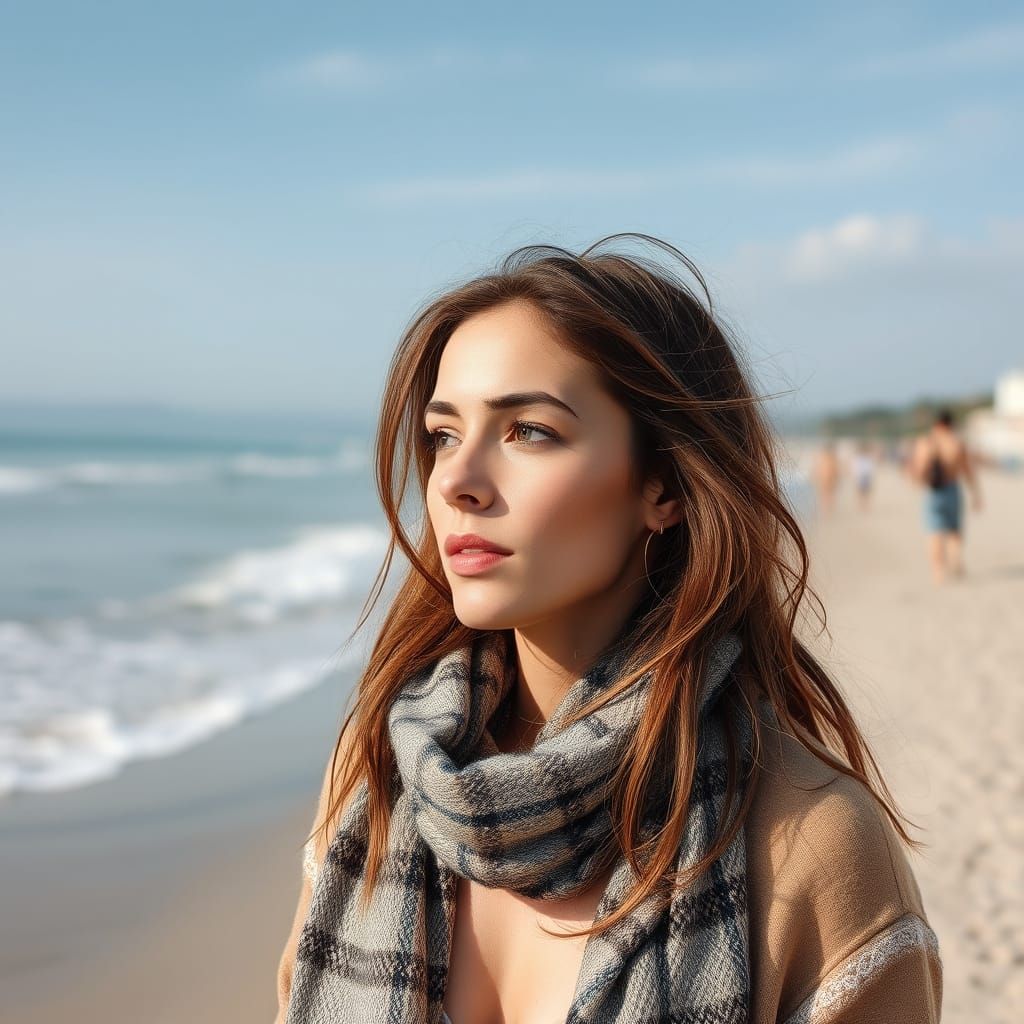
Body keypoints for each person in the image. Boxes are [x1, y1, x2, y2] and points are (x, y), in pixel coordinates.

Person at [275, 235, 941, 1023]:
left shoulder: (811, 843)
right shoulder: (380, 776)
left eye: (528, 431)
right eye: (444, 434)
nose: (455, 480)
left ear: (661, 483)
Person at [909, 409, 983, 584]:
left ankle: (938, 572)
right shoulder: (956, 442)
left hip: (933, 491)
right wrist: (976, 493)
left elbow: (918, 469)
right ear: (951, 424)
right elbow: (967, 470)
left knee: (934, 532)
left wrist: (917, 482)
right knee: (954, 530)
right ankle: (956, 560)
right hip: (952, 489)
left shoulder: (926, 442)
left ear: (936, 424)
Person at [811, 440, 840, 516]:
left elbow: (818, 468)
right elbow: (834, 469)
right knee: (827, 494)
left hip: (826, 478)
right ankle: (827, 510)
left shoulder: (826, 457)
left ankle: (826, 510)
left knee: (825, 494)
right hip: (828, 478)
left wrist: (815, 476)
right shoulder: (830, 457)